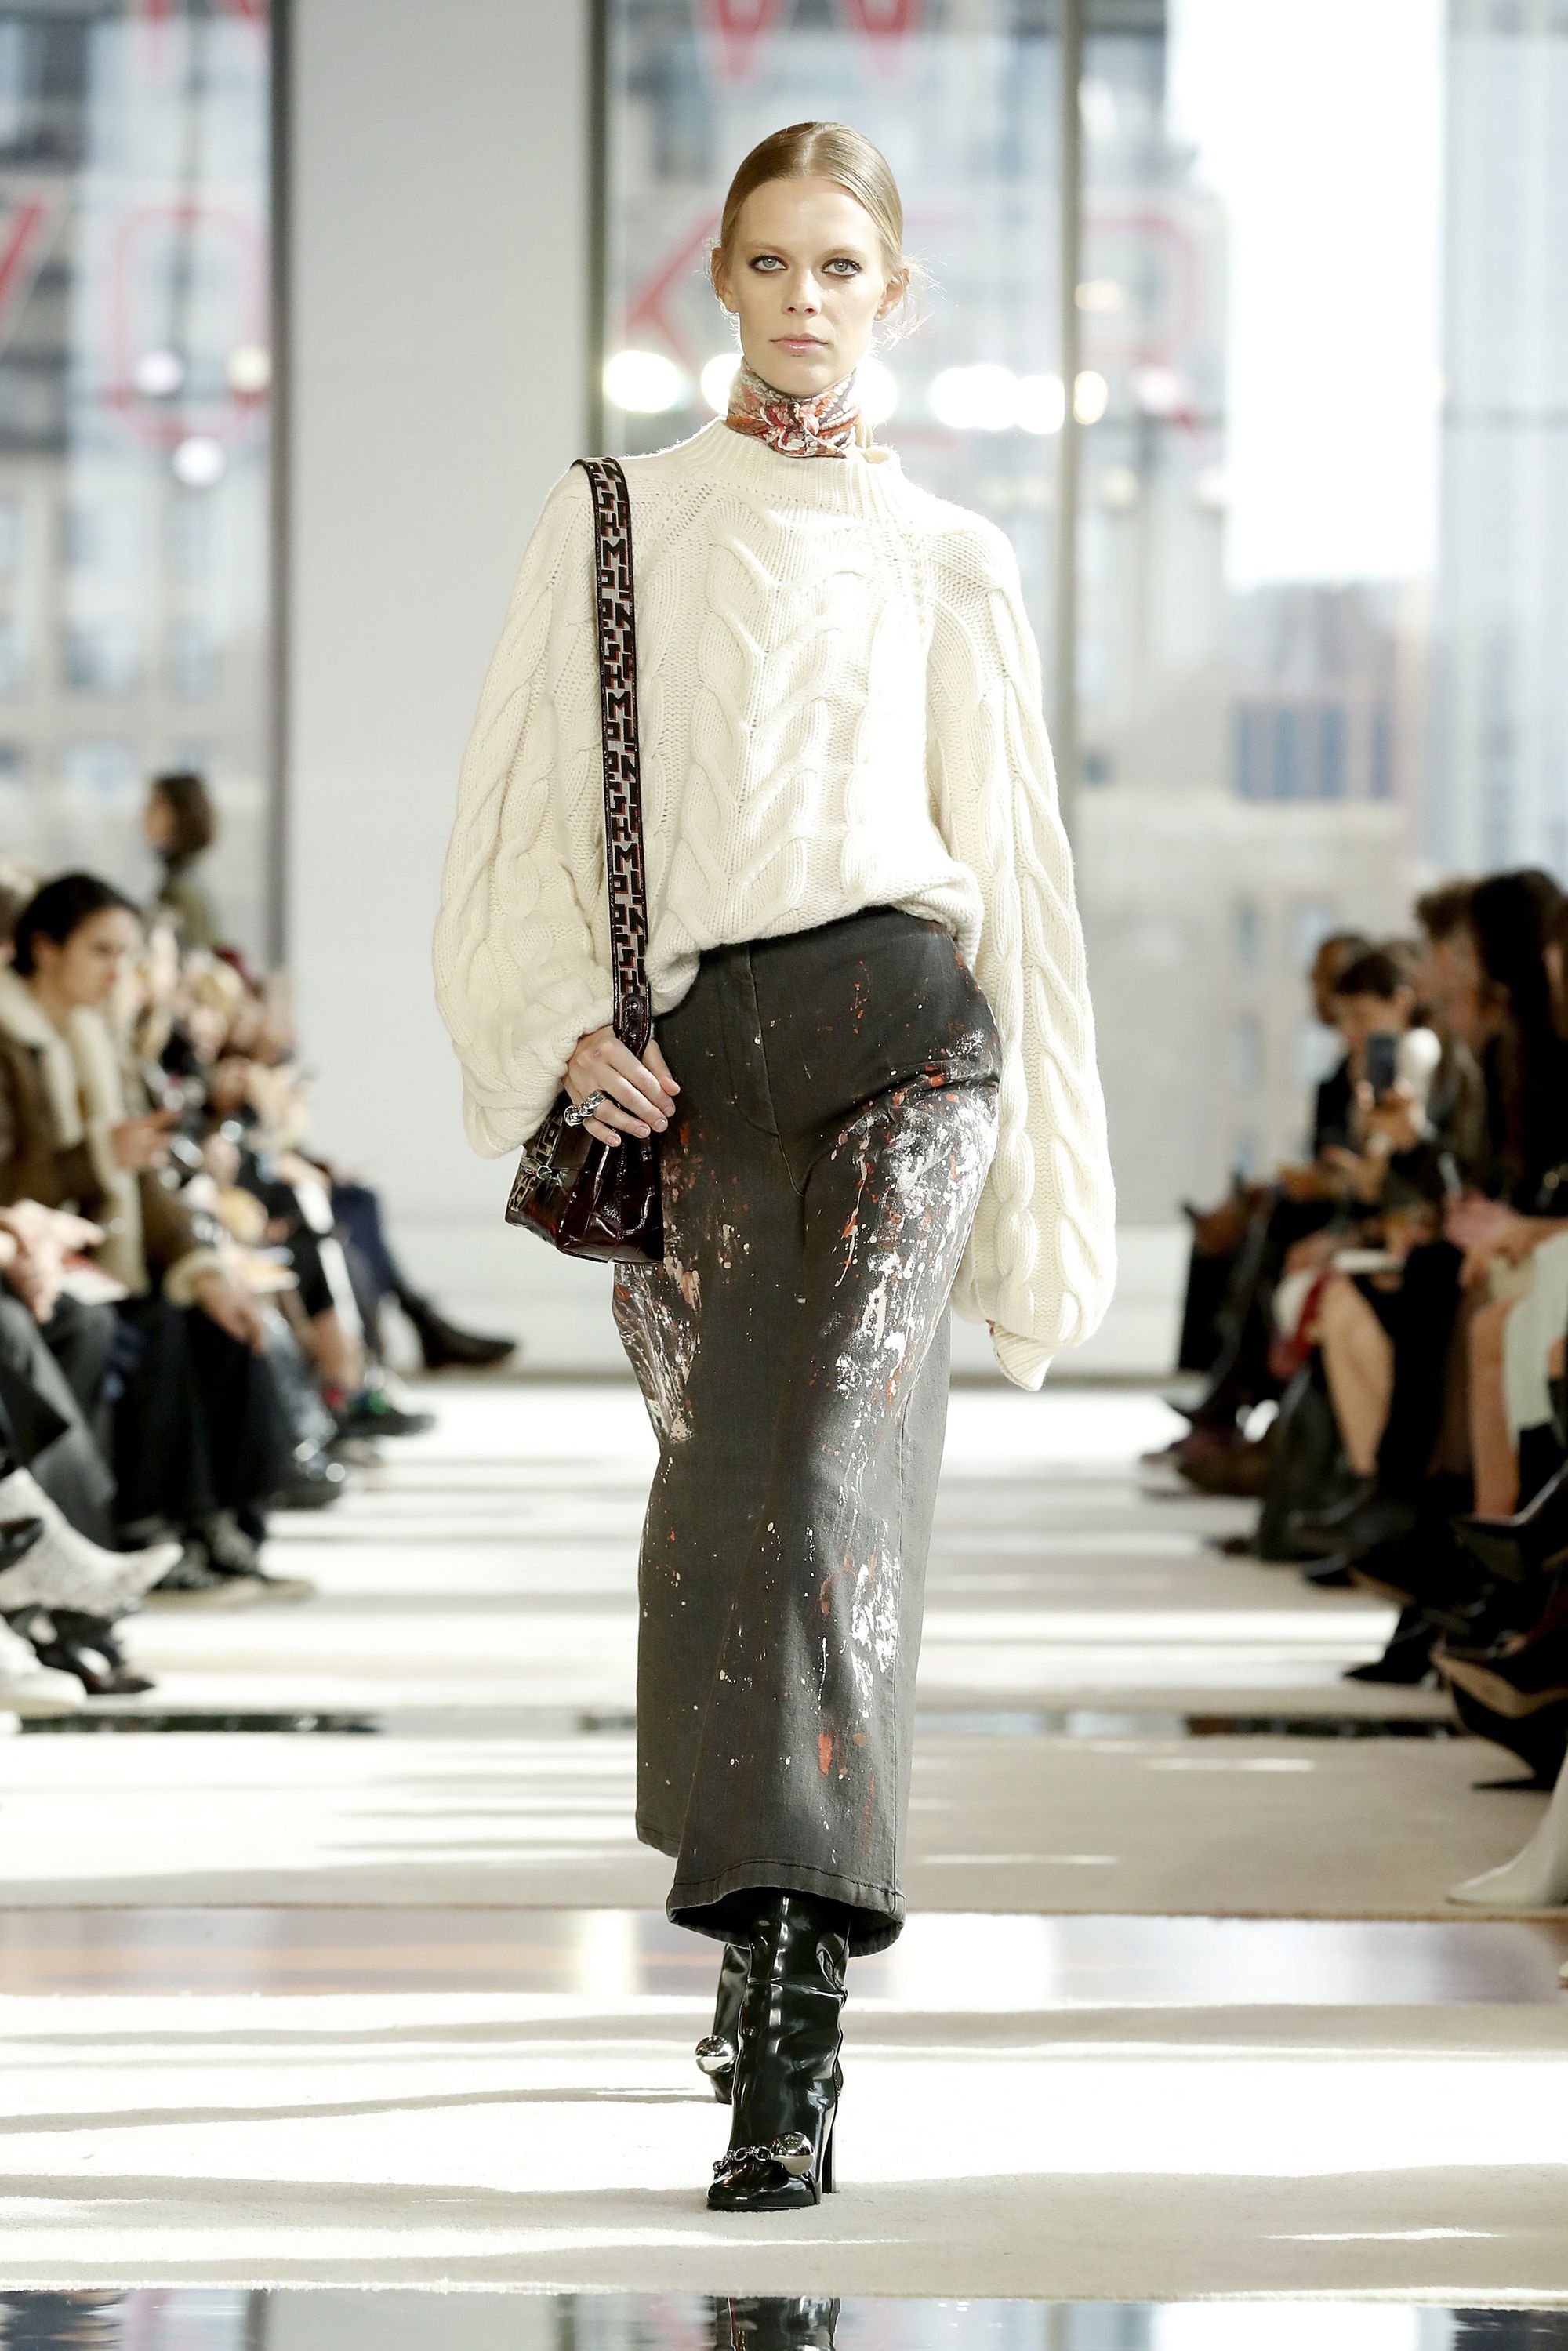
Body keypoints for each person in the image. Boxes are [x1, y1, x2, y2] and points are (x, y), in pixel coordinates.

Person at [434, 122, 1115, 2211]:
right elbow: (523, 805)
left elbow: (1016, 873)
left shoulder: (954, 552)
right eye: (767, 263)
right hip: (698, 1074)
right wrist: (553, 1019)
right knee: (729, 1511)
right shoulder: (620, 518)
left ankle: (796, 2018)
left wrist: (1046, 1182)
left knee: (827, 1483)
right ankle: (753, 1929)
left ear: (893, 290)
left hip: (910, 1042)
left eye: (840, 264)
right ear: (719, 282)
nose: (804, 298)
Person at [144, 769, 222, 951]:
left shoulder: (179, 888)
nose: (145, 815)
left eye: (155, 805)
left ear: (179, 813)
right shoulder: (184, 875)